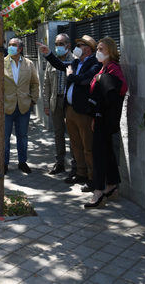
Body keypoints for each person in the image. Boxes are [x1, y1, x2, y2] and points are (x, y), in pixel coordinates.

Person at [38, 34, 100, 186]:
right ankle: (80, 173)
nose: (77, 48)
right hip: (70, 108)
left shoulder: (94, 63)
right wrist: (48, 53)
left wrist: (71, 76)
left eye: (80, 46)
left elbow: (85, 80)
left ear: (89, 49)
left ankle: (92, 178)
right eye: (77, 45)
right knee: (76, 144)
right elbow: (60, 65)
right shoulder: (76, 62)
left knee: (87, 146)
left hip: (83, 111)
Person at [84, 36, 127, 209]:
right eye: (98, 49)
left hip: (105, 118)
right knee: (107, 152)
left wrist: (99, 114)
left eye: (102, 49)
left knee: (99, 154)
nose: (98, 52)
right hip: (100, 117)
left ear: (110, 51)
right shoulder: (104, 68)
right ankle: (112, 185)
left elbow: (119, 91)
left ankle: (99, 191)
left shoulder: (113, 69)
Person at [0, 38, 40, 174]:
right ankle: (4, 163)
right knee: (4, 137)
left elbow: (35, 83)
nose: (11, 47)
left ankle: (22, 162)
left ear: (20, 49)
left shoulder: (29, 64)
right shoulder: (1, 63)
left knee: (22, 136)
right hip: (6, 106)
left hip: (24, 106)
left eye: (14, 45)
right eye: (10, 45)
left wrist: (33, 101)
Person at [42, 33, 76, 175]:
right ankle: (60, 162)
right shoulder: (52, 61)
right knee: (58, 133)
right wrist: (46, 104)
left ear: (68, 45)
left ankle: (76, 164)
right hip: (55, 101)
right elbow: (46, 84)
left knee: (73, 134)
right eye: (56, 44)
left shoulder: (74, 60)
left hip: (70, 103)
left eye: (61, 44)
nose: (57, 46)